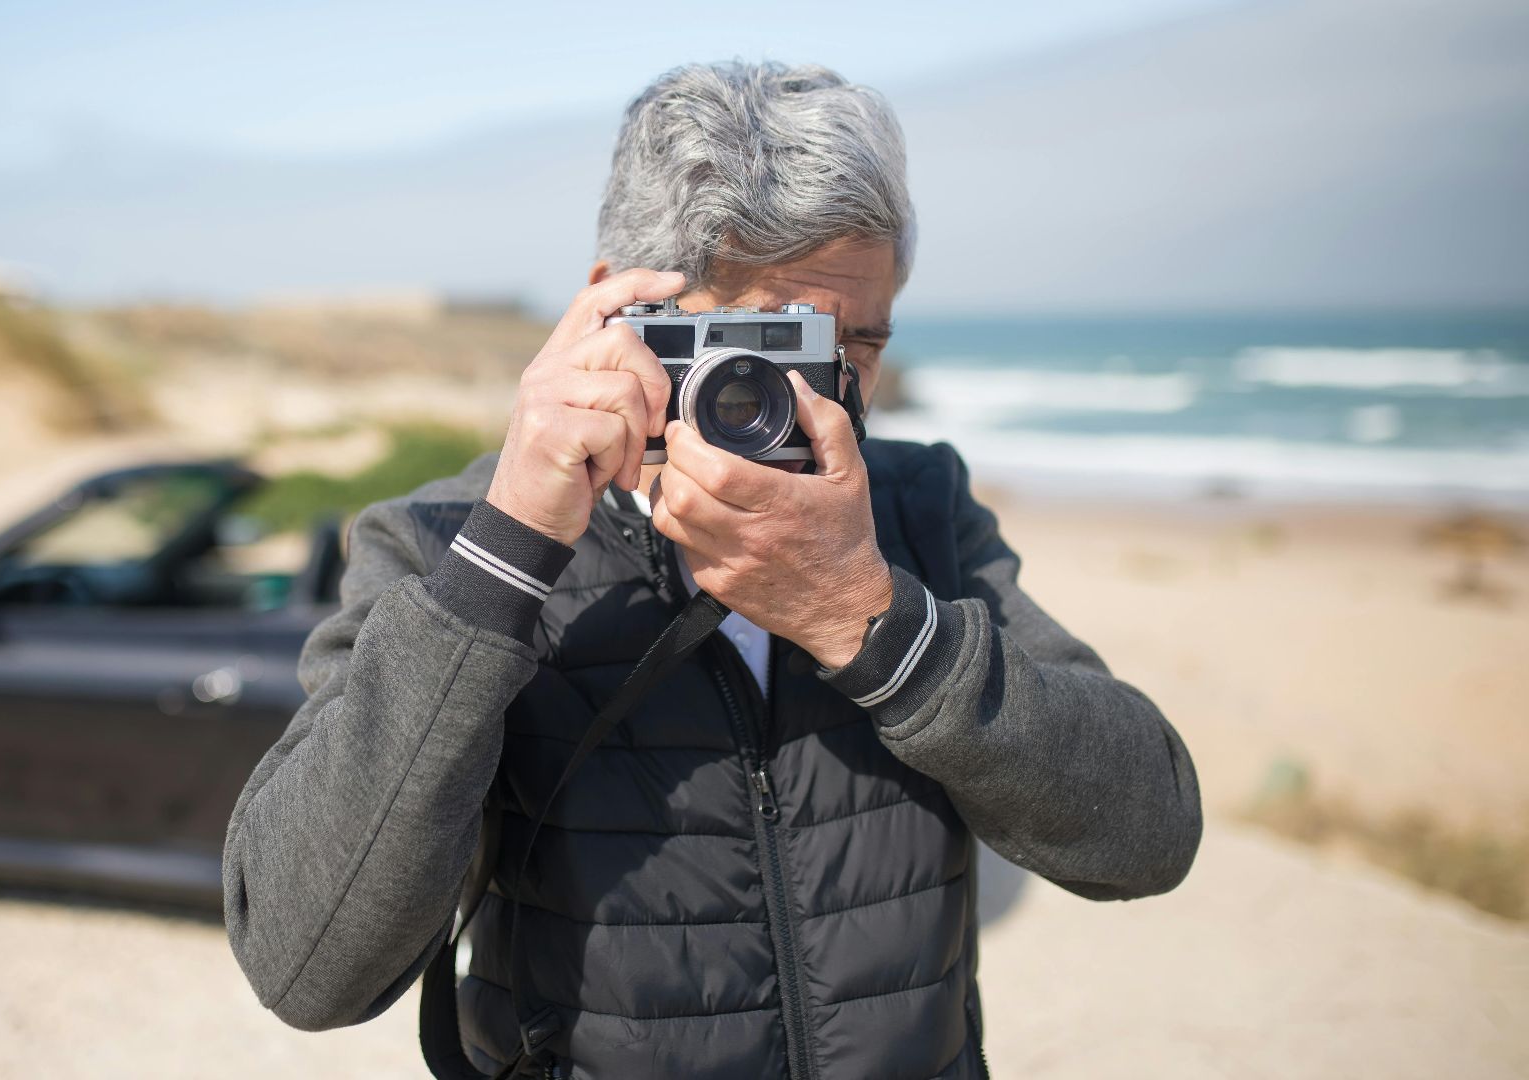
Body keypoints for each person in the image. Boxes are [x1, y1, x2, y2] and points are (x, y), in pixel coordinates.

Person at [223, 60, 1201, 1079]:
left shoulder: (915, 512)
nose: (813, 397)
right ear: (615, 313)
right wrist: (509, 553)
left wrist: (878, 626)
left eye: (853, 347)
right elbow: (306, 970)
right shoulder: (443, 547)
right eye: (760, 341)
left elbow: (1148, 834)